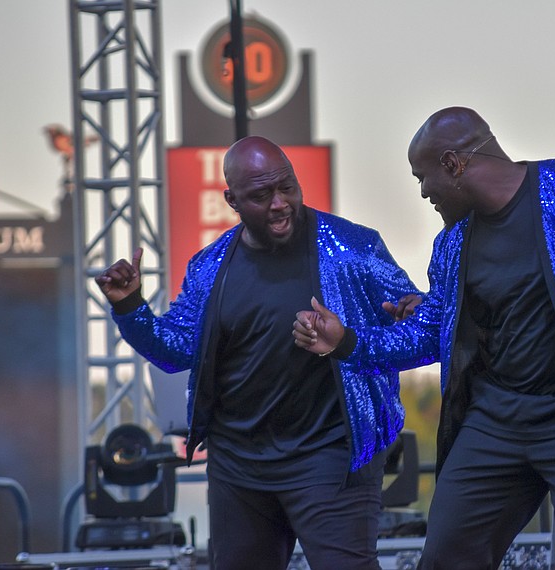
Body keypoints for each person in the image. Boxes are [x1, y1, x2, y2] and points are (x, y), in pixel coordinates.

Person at [293, 107, 555, 569]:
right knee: (445, 561)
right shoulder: (453, 244)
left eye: (423, 178)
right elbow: (430, 332)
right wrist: (347, 342)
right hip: (496, 421)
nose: (423, 192)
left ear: (454, 165)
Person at [95, 135, 423, 570]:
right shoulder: (210, 266)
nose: (280, 203)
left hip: (330, 455)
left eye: (287, 186)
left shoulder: (355, 250)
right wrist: (129, 306)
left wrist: (399, 317)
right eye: (261, 194)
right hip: (238, 465)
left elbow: (419, 328)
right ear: (232, 199)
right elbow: (175, 350)